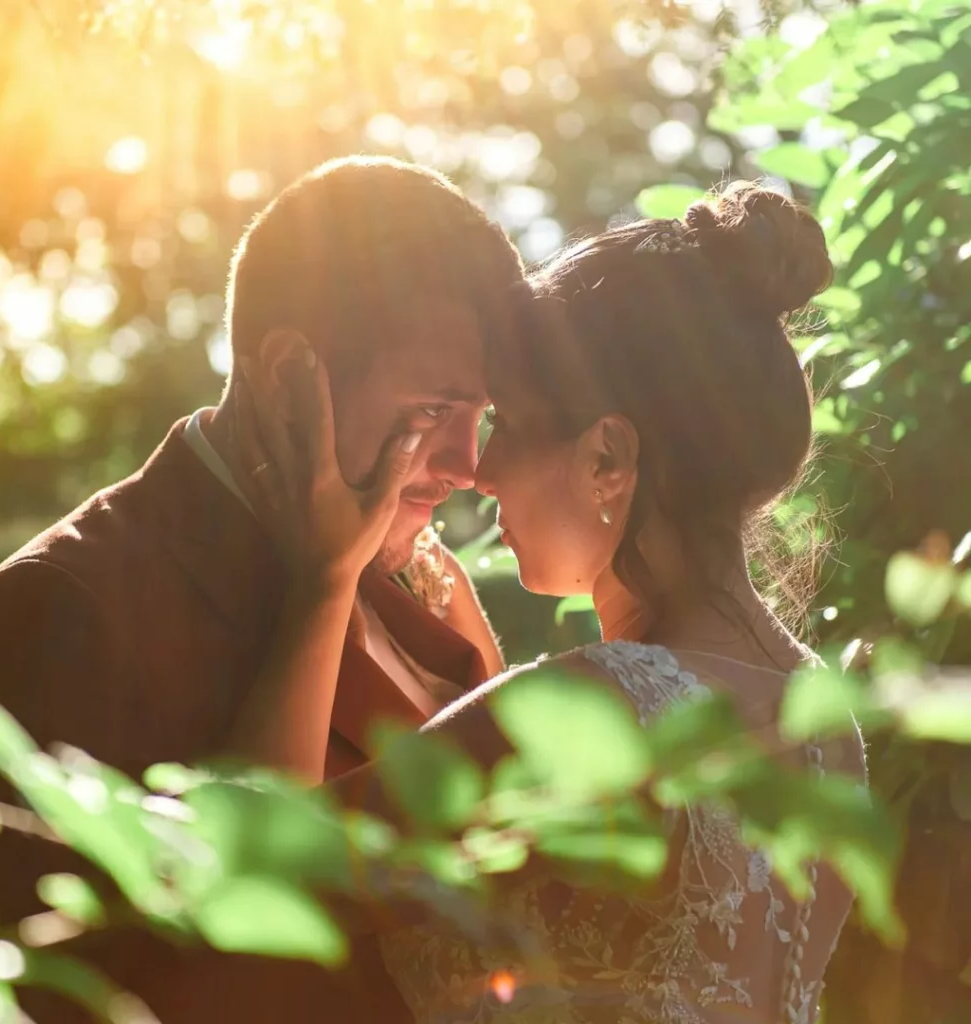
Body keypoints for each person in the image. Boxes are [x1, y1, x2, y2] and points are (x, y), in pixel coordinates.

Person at [0, 156, 524, 1023]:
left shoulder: (415, 569)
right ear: (292, 373)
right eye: (436, 411)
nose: (467, 466)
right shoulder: (62, 605)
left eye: (481, 417)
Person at [281, 182, 867, 1022]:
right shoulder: (824, 727)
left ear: (607, 457)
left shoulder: (595, 704)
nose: (480, 471)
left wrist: (322, 577)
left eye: (510, 424)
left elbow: (263, 869)